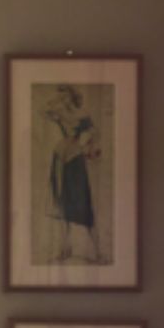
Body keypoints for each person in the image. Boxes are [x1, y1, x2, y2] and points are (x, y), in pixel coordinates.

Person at [43, 84, 102, 265]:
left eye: (66, 97)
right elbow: (43, 110)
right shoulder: (59, 113)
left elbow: (95, 133)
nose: (63, 101)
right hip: (60, 160)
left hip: (75, 160)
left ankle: (98, 253)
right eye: (61, 98)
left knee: (82, 203)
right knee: (61, 203)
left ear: (73, 96)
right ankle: (64, 249)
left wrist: (88, 148)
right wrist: (57, 102)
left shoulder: (82, 114)